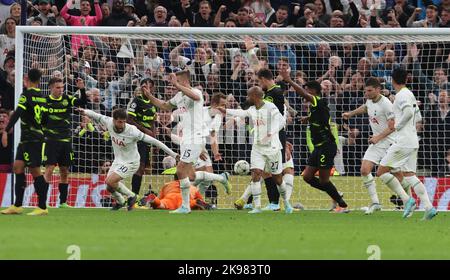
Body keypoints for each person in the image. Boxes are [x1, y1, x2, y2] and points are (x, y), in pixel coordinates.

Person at [147, 70, 231, 214]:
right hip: (186, 140)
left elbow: (193, 96)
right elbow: (165, 105)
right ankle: (221, 178)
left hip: (195, 139)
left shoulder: (196, 92)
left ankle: (185, 207)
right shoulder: (179, 96)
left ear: (184, 81)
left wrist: (176, 84)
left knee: (180, 170)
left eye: (177, 81)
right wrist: (149, 96)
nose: (174, 84)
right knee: (190, 175)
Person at [77, 107, 179, 211]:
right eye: (119, 122)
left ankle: (133, 196)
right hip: (118, 161)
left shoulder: (132, 131)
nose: (122, 124)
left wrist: (174, 154)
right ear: (114, 120)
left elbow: (155, 141)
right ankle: (121, 201)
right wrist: (84, 111)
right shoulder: (108, 122)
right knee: (110, 187)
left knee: (110, 181)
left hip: (131, 162)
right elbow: (95, 115)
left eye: (124, 122)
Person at [279, 68, 349, 213]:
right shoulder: (315, 107)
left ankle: (340, 204)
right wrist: (308, 118)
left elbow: (303, 93)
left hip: (326, 146)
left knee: (324, 180)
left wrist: (289, 80)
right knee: (307, 177)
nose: (305, 95)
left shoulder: (318, 101)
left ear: (313, 91)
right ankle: (336, 195)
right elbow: (320, 117)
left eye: (308, 91)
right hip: (319, 147)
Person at [377, 68, 437, 220]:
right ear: (407, 79)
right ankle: (429, 207)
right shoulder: (409, 94)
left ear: (392, 80)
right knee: (409, 175)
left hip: (403, 141)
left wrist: (397, 125)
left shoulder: (401, 95)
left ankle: (406, 199)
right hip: (412, 140)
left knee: (381, 171)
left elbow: (409, 113)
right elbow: (418, 117)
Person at [221, 86, 293, 214]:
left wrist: (271, 133)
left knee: (277, 178)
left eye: (248, 96)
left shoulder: (270, 107)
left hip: (272, 148)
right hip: (258, 148)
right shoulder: (252, 109)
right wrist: (226, 111)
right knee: (256, 174)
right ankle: (257, 207)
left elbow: (281, 122)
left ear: (255, 96)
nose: (247, 98)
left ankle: (286, 202)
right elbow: (242, 113)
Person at [342, 77, 396, 214]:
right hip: (377, 142)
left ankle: (408, 200)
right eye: (365, 91)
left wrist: (377, 137)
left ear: (378, 89)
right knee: (365, 170)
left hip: (389, 142)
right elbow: (366, 107)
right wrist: (351, 114)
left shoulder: (386, 104)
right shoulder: (370, 100)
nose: (367, 93)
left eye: (370, 91)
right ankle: (375, 203)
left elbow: (392, 127)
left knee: (398, 174)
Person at [1, 69, 49, 216]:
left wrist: (6, 130)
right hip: (30, 138)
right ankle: (17, 205)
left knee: (35, 171)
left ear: (26, 79)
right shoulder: (43, 97)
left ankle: (42, 207)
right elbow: (46, 119)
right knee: (18, 167)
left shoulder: (26, 95)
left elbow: (17, 114)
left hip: (31, 139)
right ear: (39, 80)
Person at [40, 77, 87, 208]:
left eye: (62, 87)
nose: (61, 90)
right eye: (58, 88)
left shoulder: (67, 99)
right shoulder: (45, 102)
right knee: (49, 169)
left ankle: (63, 202)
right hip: (51, 141)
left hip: (66, 141)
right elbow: (41, 121)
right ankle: (43, 201)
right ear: (51, 88)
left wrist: (82, 89)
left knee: (64, 170)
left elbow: (83, 102)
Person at [126, 78, 157, 198]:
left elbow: (153, 122)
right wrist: (145, 131)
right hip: (138, 138)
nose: (144, 88)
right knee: (139, 167)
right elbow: (129, 120)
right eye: (142, 86)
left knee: (144, 167)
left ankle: (135, 196)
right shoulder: (136, 101)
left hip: (148, 139)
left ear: (152, 88)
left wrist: (154, 138)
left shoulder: (153, 103)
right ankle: (134, 196)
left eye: (147, 86)